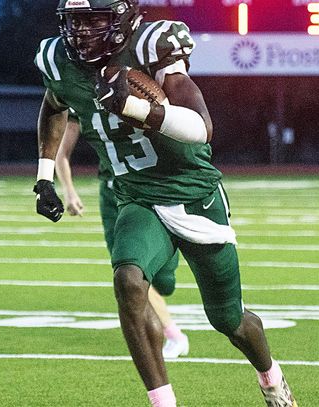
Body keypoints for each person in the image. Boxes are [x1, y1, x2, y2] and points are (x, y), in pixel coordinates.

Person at [33, 1, 297, 406]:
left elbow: (201, 127)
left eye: (95, 19)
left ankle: (271, 377)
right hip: (137, 197)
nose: (83, 31)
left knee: (230, 321)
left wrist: (136, 107)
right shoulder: (59, 59)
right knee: (128, 282)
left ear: (122, 17)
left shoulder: (151, 45)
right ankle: (163, 402)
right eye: (76, 21)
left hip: (193, 195)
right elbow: (54, 106)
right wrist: (45, 176)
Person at [55, 116, 189, 359]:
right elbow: (61, 152)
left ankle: (165, 326)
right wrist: (69, 192)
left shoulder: (139, 86)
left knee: (164, 281)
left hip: (150, 188)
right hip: (113, 194)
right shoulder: (79, 96)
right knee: (130, 273)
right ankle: (174, 334)